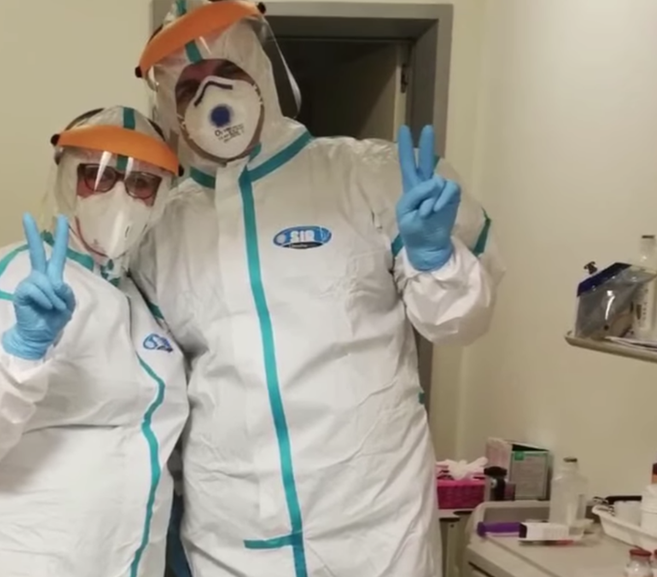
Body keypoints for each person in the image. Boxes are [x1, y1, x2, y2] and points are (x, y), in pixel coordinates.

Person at [131, 2, 505, 576]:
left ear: (262, 71)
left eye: (227, 72)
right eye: (188, 88)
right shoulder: (163, 230)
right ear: (169, 108)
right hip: (232, 537)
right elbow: (156, 384)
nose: (212, 98)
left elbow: (458, 323)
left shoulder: (369, 177)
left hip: (377, 529)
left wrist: (435, 257)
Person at [0, 105, 189, 577]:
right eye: (98, 176)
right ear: (67, 179)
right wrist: (21, 350)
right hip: (20, 555)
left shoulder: (141, 301)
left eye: (141, 182)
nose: (120, 195)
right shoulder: (14, 277)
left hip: (123, 558)